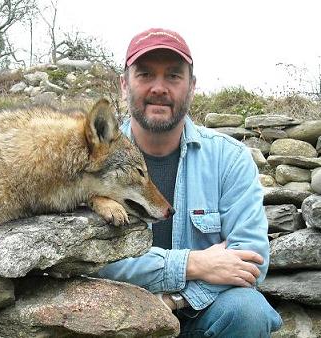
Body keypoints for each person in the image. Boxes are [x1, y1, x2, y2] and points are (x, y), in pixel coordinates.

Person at [97, 28, 282, 337]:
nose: (159, 88)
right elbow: (97, 264)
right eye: (144, 75)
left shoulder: (229, 159)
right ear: (124, 85)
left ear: (192, 87)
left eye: (173, 76)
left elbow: (252, 261)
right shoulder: (99, 160)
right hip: (120, 315)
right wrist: (191, 264)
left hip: (204, 313)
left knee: (249, 311)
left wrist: (174, 299)